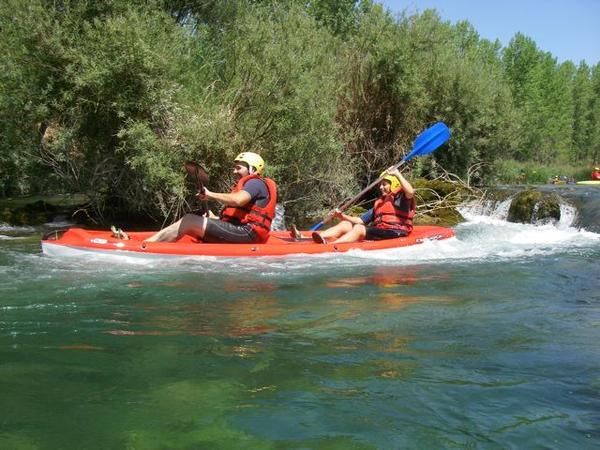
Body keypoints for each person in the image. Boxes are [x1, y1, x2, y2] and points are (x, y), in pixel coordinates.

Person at [134, 152, 277, 244]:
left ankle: (146, 245)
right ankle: (151, 241)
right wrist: (216, 219)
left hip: (248, 233)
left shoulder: (255, 182)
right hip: (243, 231)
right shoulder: (248, 185)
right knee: (198, 221)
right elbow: (239, 216)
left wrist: (210, 194)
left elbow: (238, 200)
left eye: (238, 168)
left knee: (189, 220)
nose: (234, 171)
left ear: (252, 169)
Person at [311, 168, 415, 244]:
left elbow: (410, 192)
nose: (381, 187)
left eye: (384, 184)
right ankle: (316, 237)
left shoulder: (401, 197)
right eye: (380, 185)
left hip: (396, 232)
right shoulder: (379, 203)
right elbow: (360, 220)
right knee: (346, 224)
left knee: (359, 228)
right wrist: (341, 216)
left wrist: (397, 173)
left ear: (394, 184)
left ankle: (331, 245)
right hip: (380, 231)